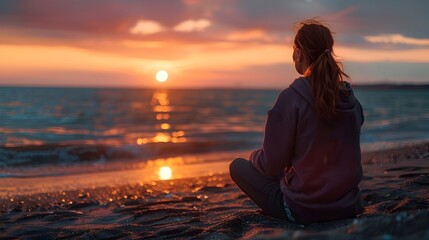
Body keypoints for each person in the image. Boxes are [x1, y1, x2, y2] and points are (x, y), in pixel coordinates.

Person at [229, 20, 364, 224]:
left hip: (303, 211)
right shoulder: (351, 100)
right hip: (348, 207)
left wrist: (254, 157)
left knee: (238, 166)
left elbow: (270, 166)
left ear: (298, 53)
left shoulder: (291, 98)